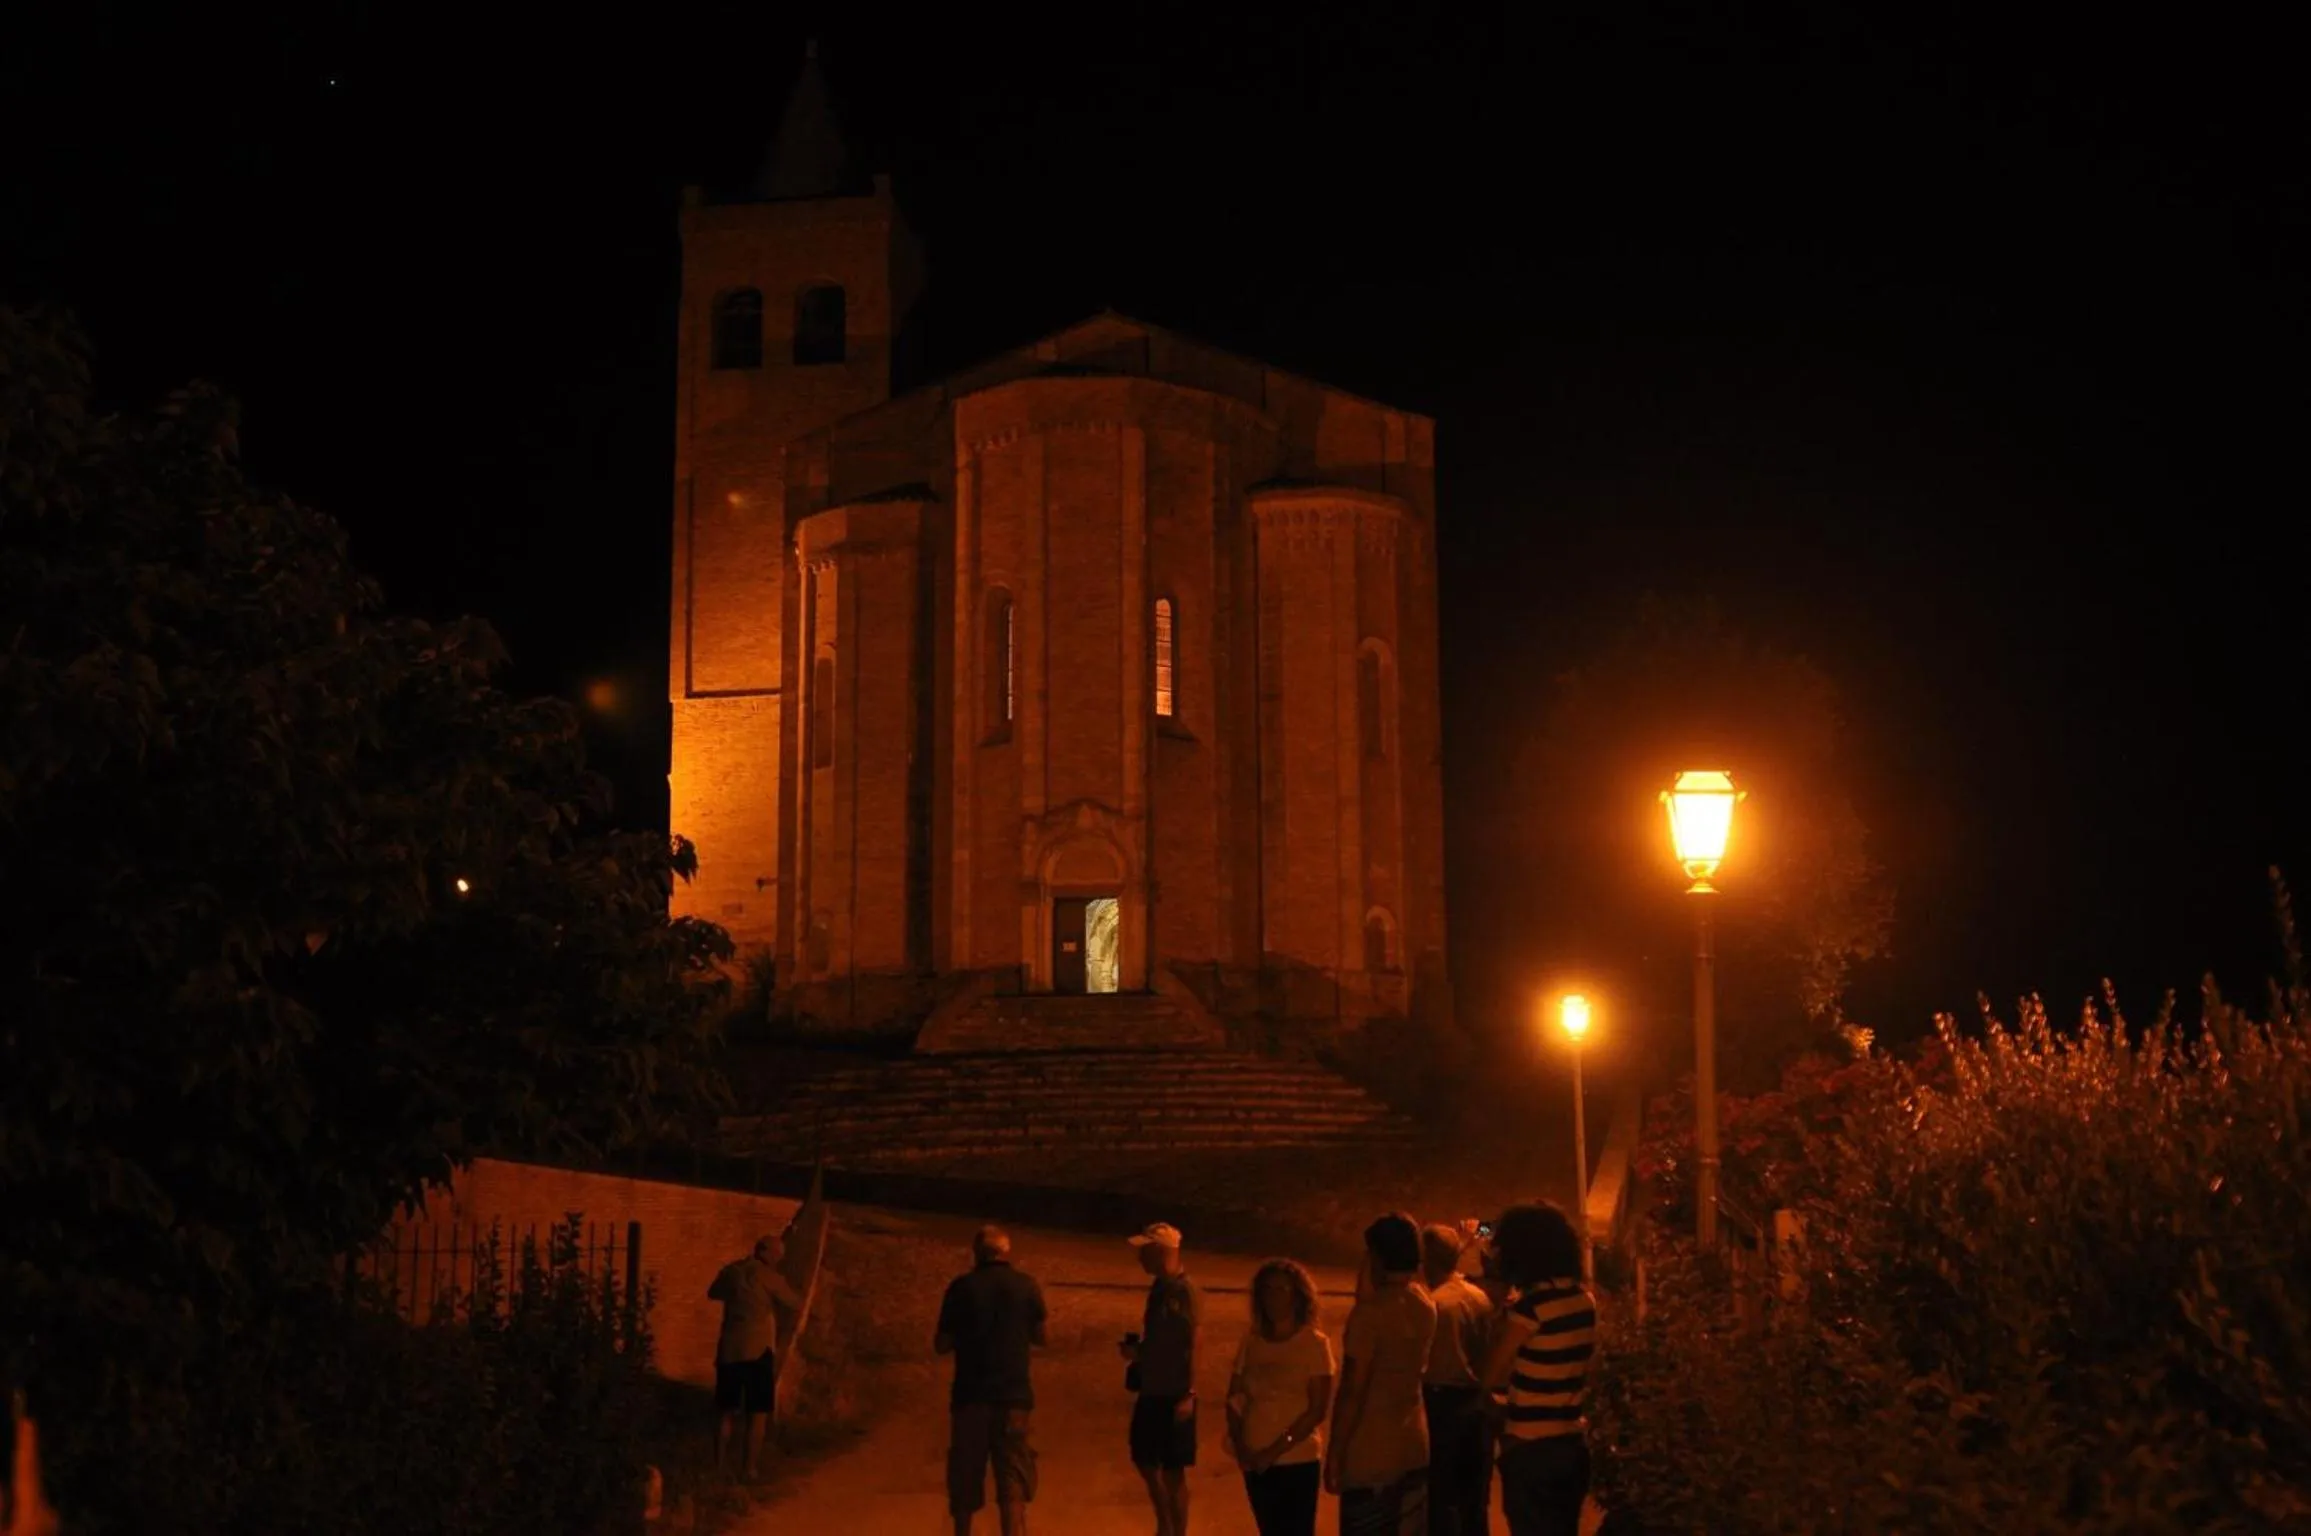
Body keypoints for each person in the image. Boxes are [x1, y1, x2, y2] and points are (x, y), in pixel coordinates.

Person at [1474, 1202, 1595, 1536]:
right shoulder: (1584, 1301)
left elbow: (1490, 1375)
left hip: (1530, 1447)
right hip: (1571, 1442)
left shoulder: (1530, 1310)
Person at [1326, 1212, 1438, 1536]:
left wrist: (1336, 1453)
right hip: (1413, 1443)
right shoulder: (1424, 1304)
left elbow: (1353, 1390)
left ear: (1375, 1255)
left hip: (1370, 1451)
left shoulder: (1369, 1316)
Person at [935, 1225, 1048, 1536]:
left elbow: (941, 1344)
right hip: (1014, 1398)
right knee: (1012, 1478)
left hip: (970, 1397)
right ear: (1006, 1252)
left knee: (965, 1476)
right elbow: (1041, 1337)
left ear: (976, 1253)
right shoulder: (1026, 1286)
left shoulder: (961, 1288)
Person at [1225, 1259, 1336, 1536]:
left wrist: (1273, 1452)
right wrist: (1243, 1448)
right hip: (1254, 1460)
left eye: (1282, 1290)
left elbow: (1317, 1409)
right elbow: (1235, 1397)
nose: (1274, 1297)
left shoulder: (1314, 1343)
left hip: (1296, 1460)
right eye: (1268, 1289)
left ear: (1297, 1296)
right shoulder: (1252, 1342)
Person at [1121, 1221, 1203, 1536]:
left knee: (1172, 1469)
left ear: (1161, 1251)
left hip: (1173, 1391)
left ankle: (1172, 1529)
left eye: (1146, 1251)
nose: (1140, 1258)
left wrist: (1189, 1393)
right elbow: (1162, 1340)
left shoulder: (1184, 1291)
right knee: (1146, 1458)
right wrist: (1139, 1353)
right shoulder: (1160, 1288)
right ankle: (1166, 1525)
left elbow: (1194, 1342)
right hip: (1154, 1388)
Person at [708, 1232, 804, 1481]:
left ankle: (718, 1467)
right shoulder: (769, 1277)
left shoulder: (732, 1272)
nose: (778, 1261)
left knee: (725, 1411)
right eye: (776, 1256)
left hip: (729, 1350)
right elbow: (794, 1302)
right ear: (765, 1252)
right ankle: (749, 1469)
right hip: (759, 1351)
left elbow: (713, 1293)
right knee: (757, 1413)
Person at [1421, 1224, 1497, 1536]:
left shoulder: (1435, 1305)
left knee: (1442, 1497)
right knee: (1474, 1498)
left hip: (1442, 1403)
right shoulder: (1478, 1297)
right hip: (1476, 1404)